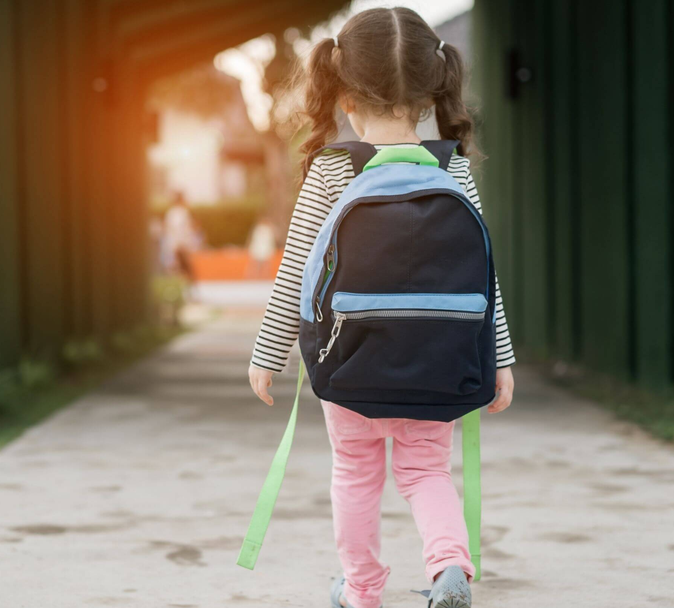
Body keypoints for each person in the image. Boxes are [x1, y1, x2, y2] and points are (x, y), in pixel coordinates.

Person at [246, 8, 516, 608]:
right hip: (441, 361)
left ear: (340, 90)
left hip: (352, 363)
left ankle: (363, 591)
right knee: (425, 473)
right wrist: (499, 358)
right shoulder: (454, 169)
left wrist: (268, 354)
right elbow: (483, 276)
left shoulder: (331, 168)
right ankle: (449, 566)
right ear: (429, 91)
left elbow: (295, 273)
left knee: (356, 475)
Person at [162, 193, 198, 296]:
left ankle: (182, 292)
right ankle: (188, 293)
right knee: (185, 270)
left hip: (175, 245)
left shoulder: (171, 213)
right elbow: (179, 230)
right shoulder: (180, 213)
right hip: (180, 246)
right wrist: (182, 245)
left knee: (178, 270)